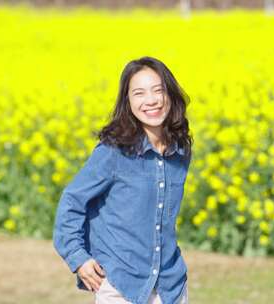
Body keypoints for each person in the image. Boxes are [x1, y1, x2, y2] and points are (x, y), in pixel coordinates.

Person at [53, 56, 193, 304]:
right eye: (139, 93)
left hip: (171, 288)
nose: (151, 100)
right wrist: (78, 257)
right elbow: (72, 202)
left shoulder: (180, 151)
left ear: (169, 94)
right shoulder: (112, 152)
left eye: (158, 90)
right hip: (121, 287)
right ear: (128, 102)